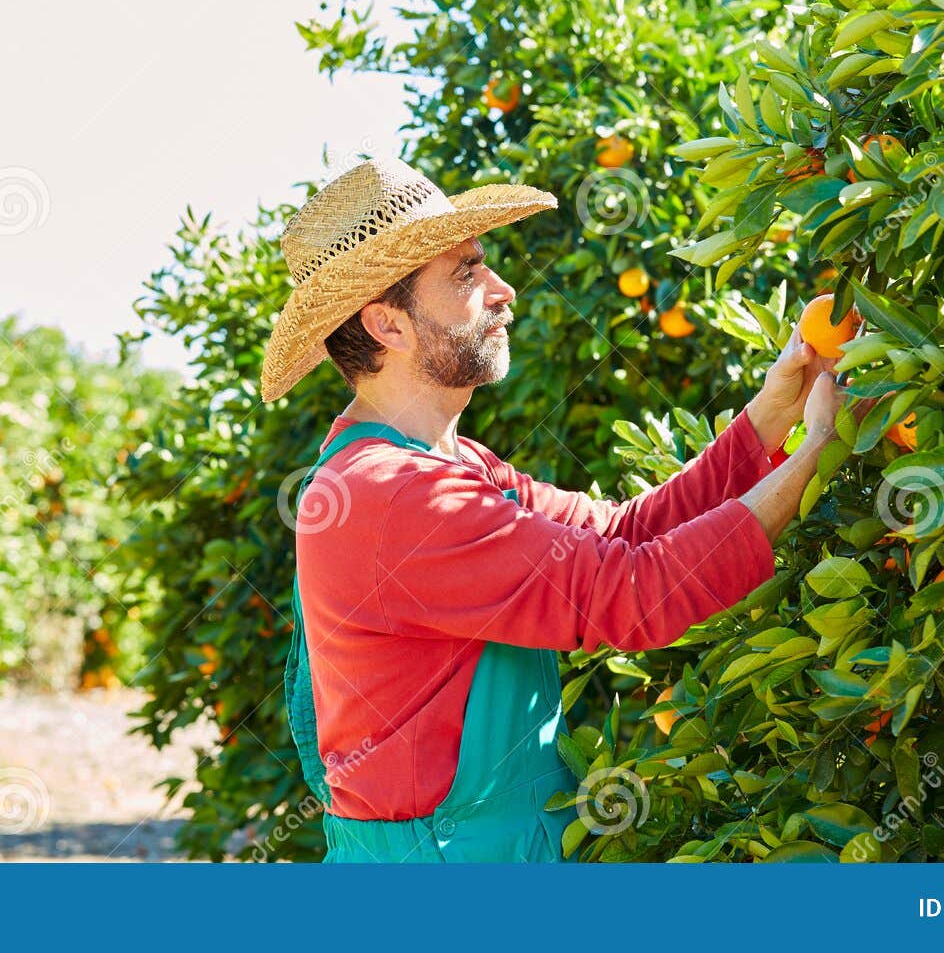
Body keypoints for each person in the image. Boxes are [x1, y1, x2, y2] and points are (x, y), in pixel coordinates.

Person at [260, 157, 845, 862]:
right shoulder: (393, 497)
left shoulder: (457, 466)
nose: (502, 290)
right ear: (389, 325)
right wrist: (814, 451)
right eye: (466, 274)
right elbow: (632, 594)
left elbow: (624, 534)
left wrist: (771, 415)